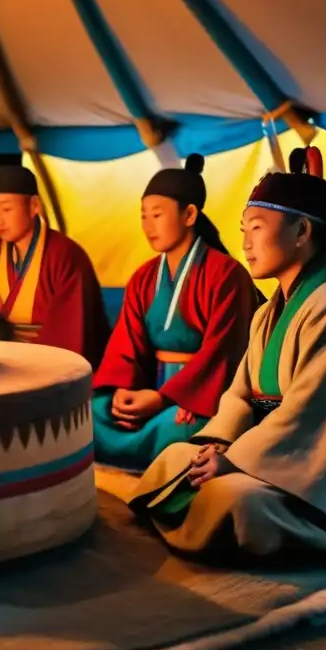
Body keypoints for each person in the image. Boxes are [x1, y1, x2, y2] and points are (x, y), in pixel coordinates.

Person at [129, 147, 326, 568]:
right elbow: (239, 394)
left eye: (256, 228)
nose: (245, 243)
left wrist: (233, 460)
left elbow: (310, 417)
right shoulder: (268, 313)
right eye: (242, 230)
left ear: (302, 232)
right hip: (273, 451)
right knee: (177, 458)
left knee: (235, 498)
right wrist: (219, 440)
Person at [92, 154, 260, 469]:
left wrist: (171, 398)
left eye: (157, 214)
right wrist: (122, 390)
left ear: (190, 214)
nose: (148, 225)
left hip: (199, 395)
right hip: (151, 388)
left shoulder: (226, 274)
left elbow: (223, 353)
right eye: (143, 216)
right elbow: (126, 342)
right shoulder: (144, 277)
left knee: (180, 427)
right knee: (92, 413)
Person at [0, 152, 110, 368]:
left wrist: (29, 365)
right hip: (1, 366)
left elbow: (72, 330)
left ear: (34, 206)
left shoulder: (66, 256)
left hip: (52, 365)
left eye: (7, 209)